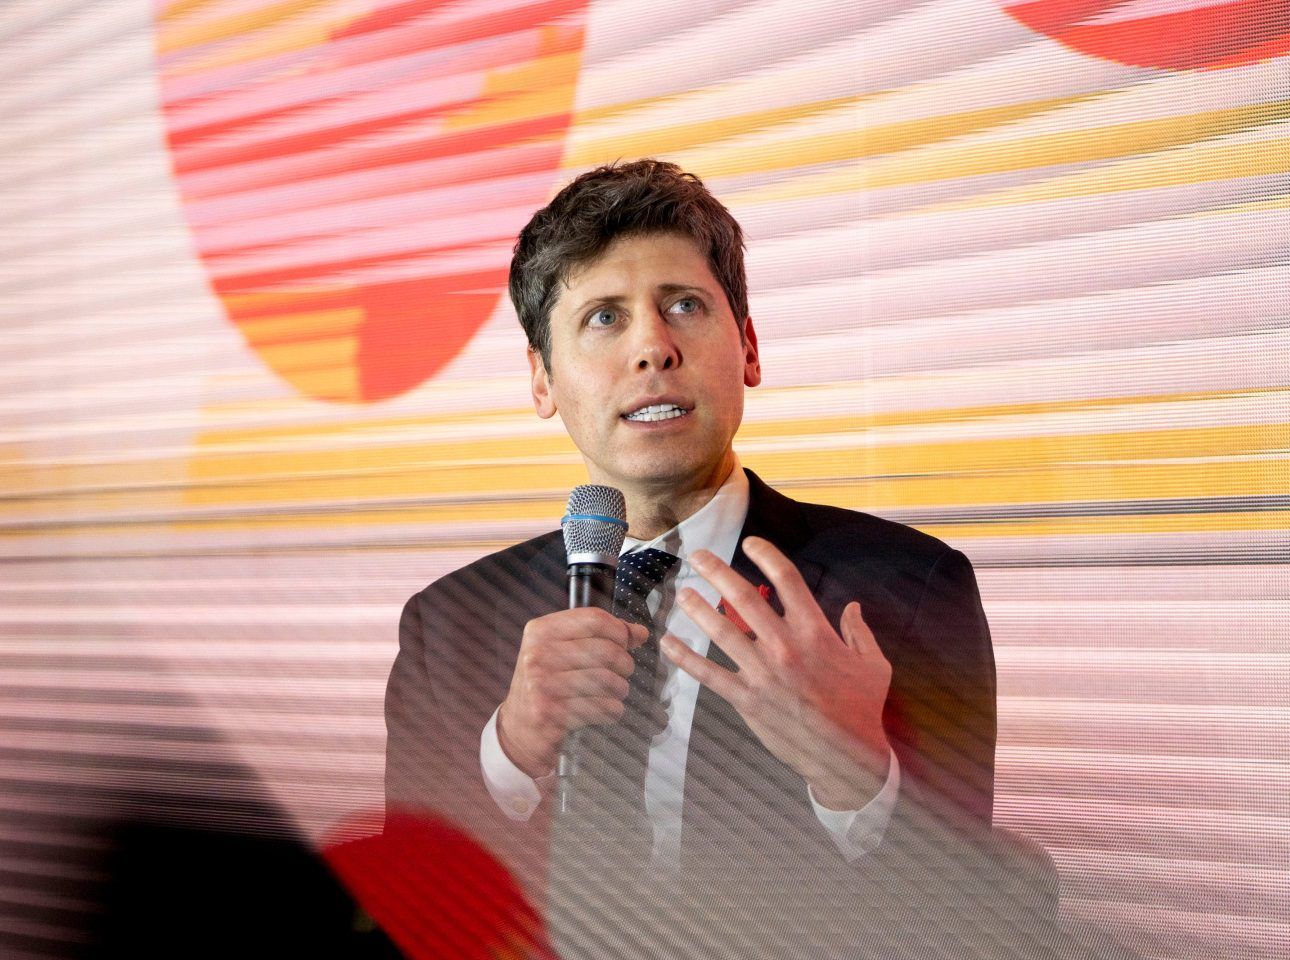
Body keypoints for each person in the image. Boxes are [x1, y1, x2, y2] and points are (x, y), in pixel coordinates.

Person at [384, 160, 1057, 959]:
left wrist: (858, 777)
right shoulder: (447, 626)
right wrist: (512, 749)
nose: (653, 348)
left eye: (684, 306)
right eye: (604, 318)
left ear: (747, 349)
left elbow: (968, 926)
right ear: (542, 380)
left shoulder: (902, 591)